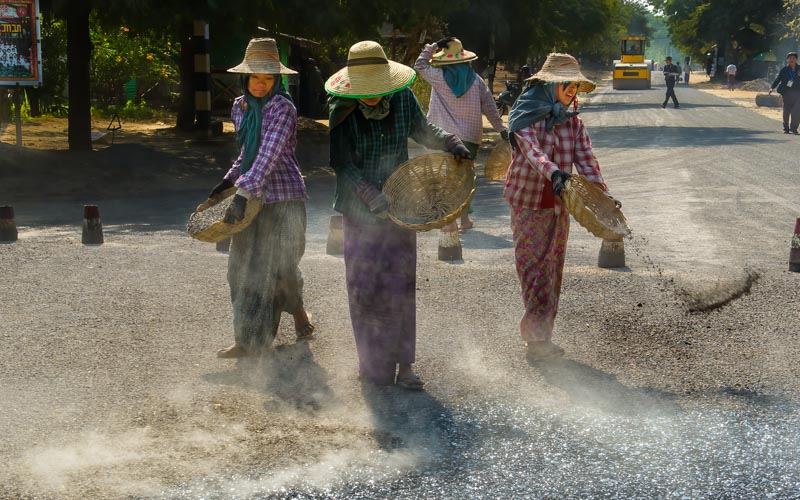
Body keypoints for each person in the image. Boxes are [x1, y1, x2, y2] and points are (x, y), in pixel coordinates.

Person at [325, 41, 471, 388]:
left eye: (378, 86)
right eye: (366, 88)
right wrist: (367, 193)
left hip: (399, 207)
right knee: (364, 286)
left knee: (400, 285)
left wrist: (450, 142)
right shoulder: (341, 109)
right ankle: (371, 364)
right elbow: (340, 163)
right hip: (358, 211)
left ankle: (405, 364)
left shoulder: (403, 98)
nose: (373, 94)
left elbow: (424, 131)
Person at [504, 53, 620, 361]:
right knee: (532, 268)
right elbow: (532, 151)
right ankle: (535, 337)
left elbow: (586, 159)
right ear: (550, 85)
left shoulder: (574, 122)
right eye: (567, 85)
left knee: (553, 269)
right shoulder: (525, 114)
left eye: (575, 87)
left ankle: (543, 337)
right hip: (527, 202)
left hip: (559, 203)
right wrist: (554, 172)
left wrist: (602, 194)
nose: (572, 92)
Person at [207, 38, 315, 359]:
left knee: (280, 269)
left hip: (283, 201)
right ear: (245, 78)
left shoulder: (283, 107)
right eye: (255, 77)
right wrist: (226, 183)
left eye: (268, 78)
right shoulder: (240, 107)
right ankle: (247, 341)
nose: (260, 84)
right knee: (240, 269)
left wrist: (240, 193)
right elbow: (247, 155)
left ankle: (297, 314)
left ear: (277, 80)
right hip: (250, 197)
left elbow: (268, 155)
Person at [414, 36, 508, 232]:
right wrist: (501, 129)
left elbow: (420, 65)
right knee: (463, 178)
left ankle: (450, 222)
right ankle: (464, 220)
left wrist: (432, 46)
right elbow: (490, 107)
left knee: (445, 179)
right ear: (465, 59)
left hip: (444, 137)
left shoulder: (439, 77)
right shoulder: (477, 81)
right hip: (470, 137)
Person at [769, 52, 800, 134]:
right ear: (787, 60)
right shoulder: (784, 70)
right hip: (787, 93)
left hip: (798, 93)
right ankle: (786, 127)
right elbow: (778, 79)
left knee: (796, 111)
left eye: (793, 58)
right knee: (786, 110)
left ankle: (794, 128)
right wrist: (772, 87)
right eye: (789, 58)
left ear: (796, 59)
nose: (791, 60)